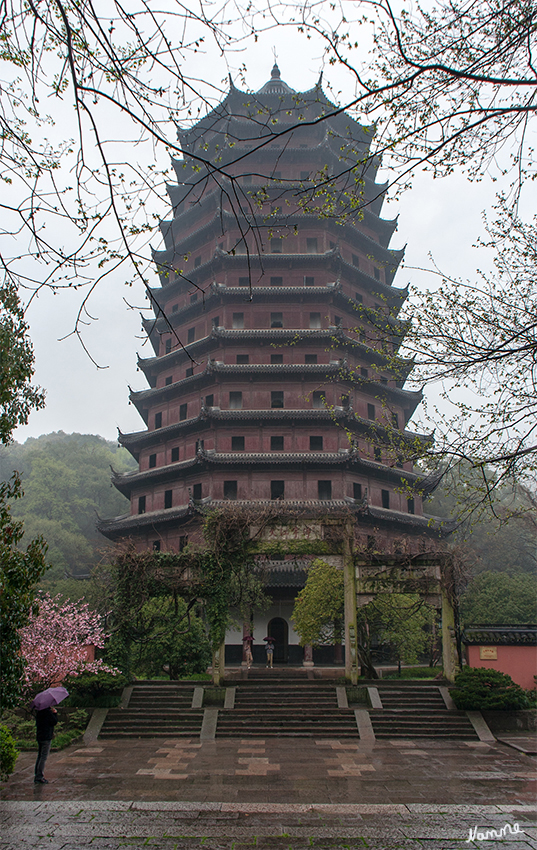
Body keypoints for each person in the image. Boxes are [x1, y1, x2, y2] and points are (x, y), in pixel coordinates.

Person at [34, 706, 58, 784]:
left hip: (40, 736)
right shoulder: (47, 712)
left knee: (40, 756)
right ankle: (39, 776)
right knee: (43, 757)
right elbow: (54, 722)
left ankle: (37, 774)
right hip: (46, 736)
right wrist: (55, 714)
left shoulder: (39, 712)